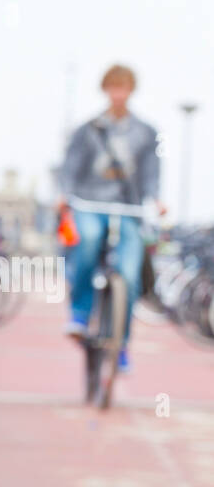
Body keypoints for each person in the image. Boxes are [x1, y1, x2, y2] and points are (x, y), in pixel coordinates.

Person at [58, 64, 162, 372]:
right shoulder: (88, 129)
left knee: (129, 276)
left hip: (128, 209)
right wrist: (65, 195)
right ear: (106, 90)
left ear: (131, 90)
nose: (118, 94)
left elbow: (151, 173)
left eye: (124, 87)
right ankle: (79, 313)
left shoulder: (146, 132)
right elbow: (71, 167)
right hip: (90, 203)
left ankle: (122, 342)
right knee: (87, 241)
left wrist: (156, 199)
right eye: (113, 87)